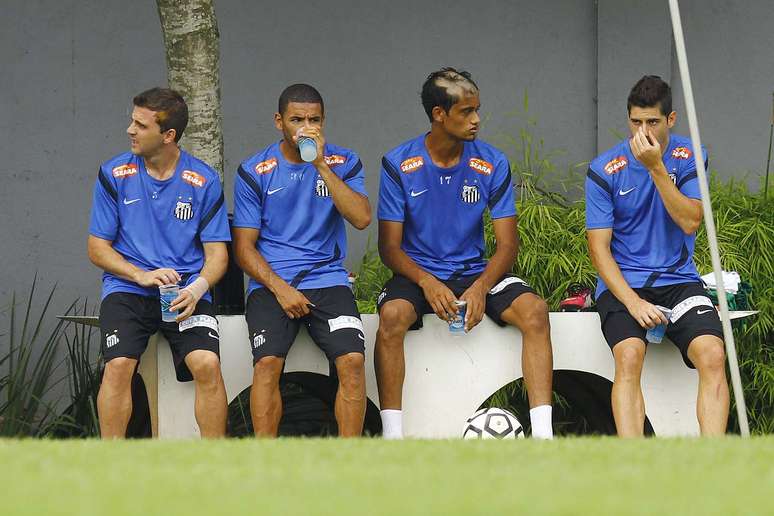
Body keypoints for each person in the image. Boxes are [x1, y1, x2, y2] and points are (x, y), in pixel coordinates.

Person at [375, 68, 554, 439]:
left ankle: (544, 438)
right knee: (391, 317)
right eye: (466, 112)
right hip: (418, 273)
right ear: (439, 115)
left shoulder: (492, 162)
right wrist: (426, 282)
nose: (476, 120)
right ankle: (391, 439)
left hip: (475, 271)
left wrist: (479, 288)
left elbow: (507, 245)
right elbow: (389, 248)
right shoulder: (398, 164)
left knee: (535, 312)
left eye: (477, 110)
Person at [586, 75, 728, 437]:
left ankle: (715, 465)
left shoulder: (689, 155)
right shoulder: (604, 169)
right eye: (636, 121)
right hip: (624, 286)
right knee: (629, 356)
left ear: (671, 119)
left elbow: (691, 221)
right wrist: (632, 303)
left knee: (713, 354)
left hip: (679, 281)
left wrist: (655, 167)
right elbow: (599, 250)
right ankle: (635, 469)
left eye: (652, 121)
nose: (643, 130)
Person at [88, 87, 230, 438]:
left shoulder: (204, 180)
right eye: (132, 121)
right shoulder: (114, 173)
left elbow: (217, 256)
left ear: (168, 136)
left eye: (140, 124)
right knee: (119, 365)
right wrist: (140, 275)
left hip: (184, 293)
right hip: (127, 288)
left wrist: (196, 289)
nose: (130, 130)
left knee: (207, 364)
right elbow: (96, 248)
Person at [233, 83, 371, 438]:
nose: (305, 127)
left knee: (353, 362)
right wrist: (280, 289)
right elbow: (244, 248)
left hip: (328, 280)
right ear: (279, 121)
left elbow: (361, 218)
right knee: (267, 363)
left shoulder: (344, 161)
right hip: (273, 283)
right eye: (297, 119)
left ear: (324, 121)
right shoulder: (254, 170)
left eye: (314, 120)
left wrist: (322, 166)